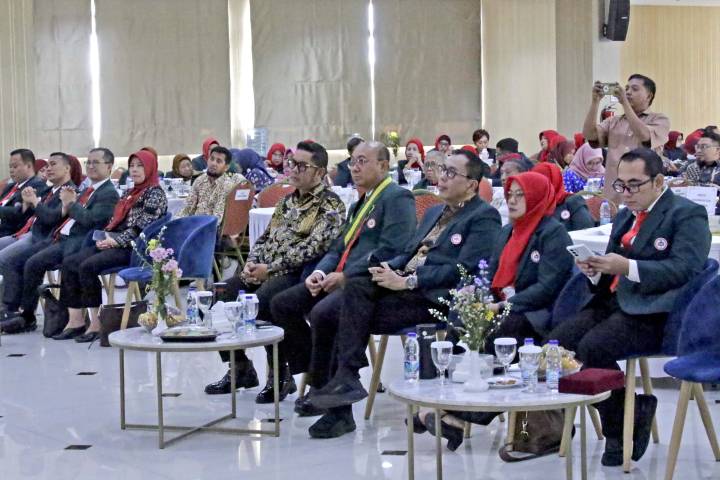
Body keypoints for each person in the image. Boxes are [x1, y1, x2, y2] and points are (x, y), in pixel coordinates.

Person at [306, 149, 501, 435]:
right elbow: (408, 252)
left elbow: (463, 270)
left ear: (472, 184)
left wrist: (409, 281)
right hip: (401, 287)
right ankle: (338, 385)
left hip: (433, 298)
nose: (442, 177)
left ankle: (341, 399)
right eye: (442, 170)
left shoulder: (484, 217)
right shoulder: (434, 211)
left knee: (344, 313)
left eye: (451, 173)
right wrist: (390, 268)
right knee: (333, 305)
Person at [547, 148, 710, 467]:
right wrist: (595, 270)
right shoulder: (623, 215)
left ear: (659, 181)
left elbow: (685, 270)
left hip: (657, 311)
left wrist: (628, 267)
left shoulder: (686, 214)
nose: (626, 193)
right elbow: (612, 268)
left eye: (634, 185)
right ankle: (630, 412)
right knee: (559, 343)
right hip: (615, 301)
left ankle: (618, 431)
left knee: (595, 347)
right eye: (620, 185)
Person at [419, 172, 573, 448]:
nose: (512, 201)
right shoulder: (507, 231)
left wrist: (503, 305)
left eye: (520, 195)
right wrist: (474, 292)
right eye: (510, 195)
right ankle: (449, 405)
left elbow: (547, 287)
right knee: (462, 314)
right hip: (501, 305)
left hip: (535, 313)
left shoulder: (552, 233)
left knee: (499, 327)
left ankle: (457, 414)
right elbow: (490, 274)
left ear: (537, 198)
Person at [270, 141, 417, 424]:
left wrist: (347, 276)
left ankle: (332, 398)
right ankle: (318, 373)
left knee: (324, 313)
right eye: (353, 161)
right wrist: (321, 272)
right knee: (283, 304)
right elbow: (338, 247)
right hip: (338, 276)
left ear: (383, 165)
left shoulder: (397, 197)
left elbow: (393, 250)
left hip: (368, 281)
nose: (355, 167)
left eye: (362, 161)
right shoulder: (361, 201)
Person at [204, 141, 346, 400]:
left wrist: (269, 269)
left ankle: (280, 373)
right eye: (292, 163)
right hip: (264, 268)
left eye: (302, 166)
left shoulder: (330, 204)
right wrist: (251, 263)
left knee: (263, 301)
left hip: (297, 273)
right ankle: (240, 367)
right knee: (222, 293)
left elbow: (314, 248)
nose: (293, 169)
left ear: (319, 172)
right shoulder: (287, 201)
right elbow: (265, 237)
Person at [0, 149, 119, 333]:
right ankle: (16, 311)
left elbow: (89, 220)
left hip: (73, 241)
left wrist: (69, 204)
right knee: (21, 261)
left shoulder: (107, 192)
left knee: (26, 261)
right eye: (88, 162)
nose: (90, 166)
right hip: (55, 237)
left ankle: (24, 314)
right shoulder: (87, 190)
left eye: (96, 162)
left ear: (109, 167)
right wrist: (29, 204)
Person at [54, 150, 167, 343]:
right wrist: (106, 235)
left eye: (140, 166)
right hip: (117, 242)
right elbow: (117, 221)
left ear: (150, 168)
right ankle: (76, 321)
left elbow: (143, 228)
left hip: (135, 248)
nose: (134, 170)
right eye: (132, 166)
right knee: (70, 262)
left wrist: (116, 241)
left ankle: (96, 323)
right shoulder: (131, 192)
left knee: (87, 266)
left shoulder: (155, 193)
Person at [583, 74, 670, 203]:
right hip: (614, 195)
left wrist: (624, 103)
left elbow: (644, 135)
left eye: (634, 89)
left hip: (643, 195)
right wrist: (595, 102)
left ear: (649, 96)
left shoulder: (659, 119)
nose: (628, 92)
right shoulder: (613, 121)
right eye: (627, 88)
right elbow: (589, 135)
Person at [176, 146, 246, 226]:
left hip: (209, 229)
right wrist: (177, 223)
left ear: (226, 167)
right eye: (212, 159)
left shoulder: (227, 186)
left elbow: (216, 220)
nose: (213, 163)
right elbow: (187, 208)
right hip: (193, 225)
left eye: (218, 161)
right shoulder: (199, 180)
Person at [0, 149, 48, 242]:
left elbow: (20, 214)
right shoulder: (10, 186)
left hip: (9, 233)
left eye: (15, 166)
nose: (11, 170)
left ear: (29, 166)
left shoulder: (37, 186)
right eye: (10, 167)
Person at [533, 163, 595, 231]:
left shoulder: (573, 203)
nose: (539, 186)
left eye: (542, 182)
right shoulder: (531, 206)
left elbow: (586, 230)